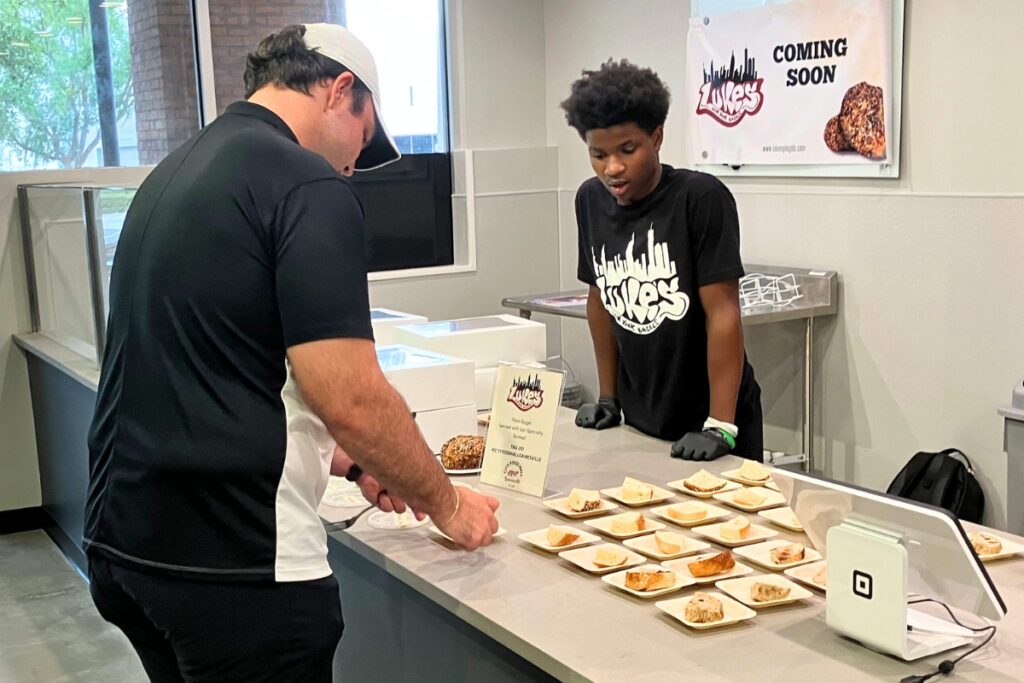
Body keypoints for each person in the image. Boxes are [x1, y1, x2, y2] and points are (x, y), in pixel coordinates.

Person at [84, 23, 499, 682]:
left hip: (124, 545)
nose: (351, 170)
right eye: (361, 146)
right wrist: (448, 503)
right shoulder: (306, 184)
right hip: (238, 567)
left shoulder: (177, 172)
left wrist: (343, 455)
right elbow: (353, 398)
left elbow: (207, 367)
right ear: (340, 91)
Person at [561, 58, 763, 462]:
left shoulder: (700, 198)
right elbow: (600, 300)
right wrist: (608, 396)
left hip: (709, 420)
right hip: (641, 418)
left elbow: (723, 313)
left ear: (657, 137)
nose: (612, 168)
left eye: (627, 150)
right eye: (598, 154)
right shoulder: (589, 200)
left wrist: (720, 426)